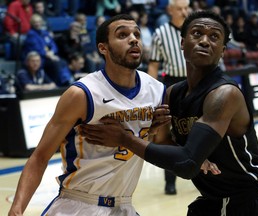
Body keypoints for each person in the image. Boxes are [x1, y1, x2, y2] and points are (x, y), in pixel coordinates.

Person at [80, 10, 258, 216]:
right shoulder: (173, 94)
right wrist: (194, 155)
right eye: (197, 33)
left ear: (223, 50)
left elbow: (187, 165)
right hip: (211, 202)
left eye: (214, 37)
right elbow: (162, 142)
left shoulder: (224, 94)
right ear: (182, 42)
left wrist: (124, 138)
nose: (205, 41)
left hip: (253, 201)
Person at [8, 14, 166, 216]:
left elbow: (163, 145)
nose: (134, 39)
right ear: (103, 48)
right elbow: (40, 157)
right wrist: (17, 208)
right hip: (79, 204)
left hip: (124, 205)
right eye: (123, 35)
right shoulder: (82, 94)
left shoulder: (156, 90)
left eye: (136, 33)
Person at [148, 0, 190, 195]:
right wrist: (150, 93)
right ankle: (170, 181)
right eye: (179, 9)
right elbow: (154, 66)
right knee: (169, 135)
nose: (184, 12)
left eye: (186, 8)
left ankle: (211, 176)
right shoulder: (160, 33)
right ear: (169, 10)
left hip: (197, 83)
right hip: (173, 85)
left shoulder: (195, 28)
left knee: (204, 130)